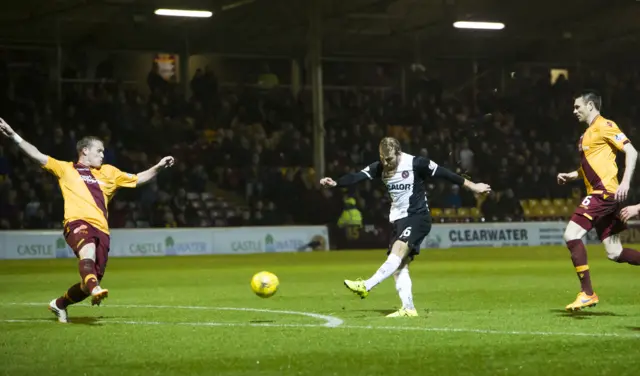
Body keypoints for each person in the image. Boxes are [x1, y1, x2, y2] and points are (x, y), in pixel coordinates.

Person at [0, 118, 175, 323]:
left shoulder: (110, 173)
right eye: (99, 151)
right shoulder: (65, 169)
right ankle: (95, 289)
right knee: (88, 251)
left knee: (89, 279)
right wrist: (13, 136)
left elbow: (138, 179)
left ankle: (60, 304)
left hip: (103, 230)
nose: (103, 154)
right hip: (77, 222)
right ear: (84, 151)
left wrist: (159, 166)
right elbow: (37, 155)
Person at [320, 137, 491, 317]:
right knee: (400, 265)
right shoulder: (379, 166)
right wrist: (336, 183)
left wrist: (474, 186)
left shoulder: (417, 163)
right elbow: (356, 177)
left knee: (398, 251)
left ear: (399, 153)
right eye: (383, 159)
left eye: (390, 159)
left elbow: (446, 174)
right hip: (399, 220)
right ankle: (408, 308)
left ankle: (366, 285)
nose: (386, 163)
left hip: (418, 216)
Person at [556, 90, 640, 312]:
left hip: (603, 194)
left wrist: (625, 182)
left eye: (577, 107)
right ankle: (588, 293)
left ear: (591, 106)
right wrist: (573, 175)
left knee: (571, 234)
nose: (574, 111)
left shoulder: (605, 125)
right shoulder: (585, 136)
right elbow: (591, 167)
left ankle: (587, 293)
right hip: (601, 195)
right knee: (615, 253)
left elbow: (632, 152)